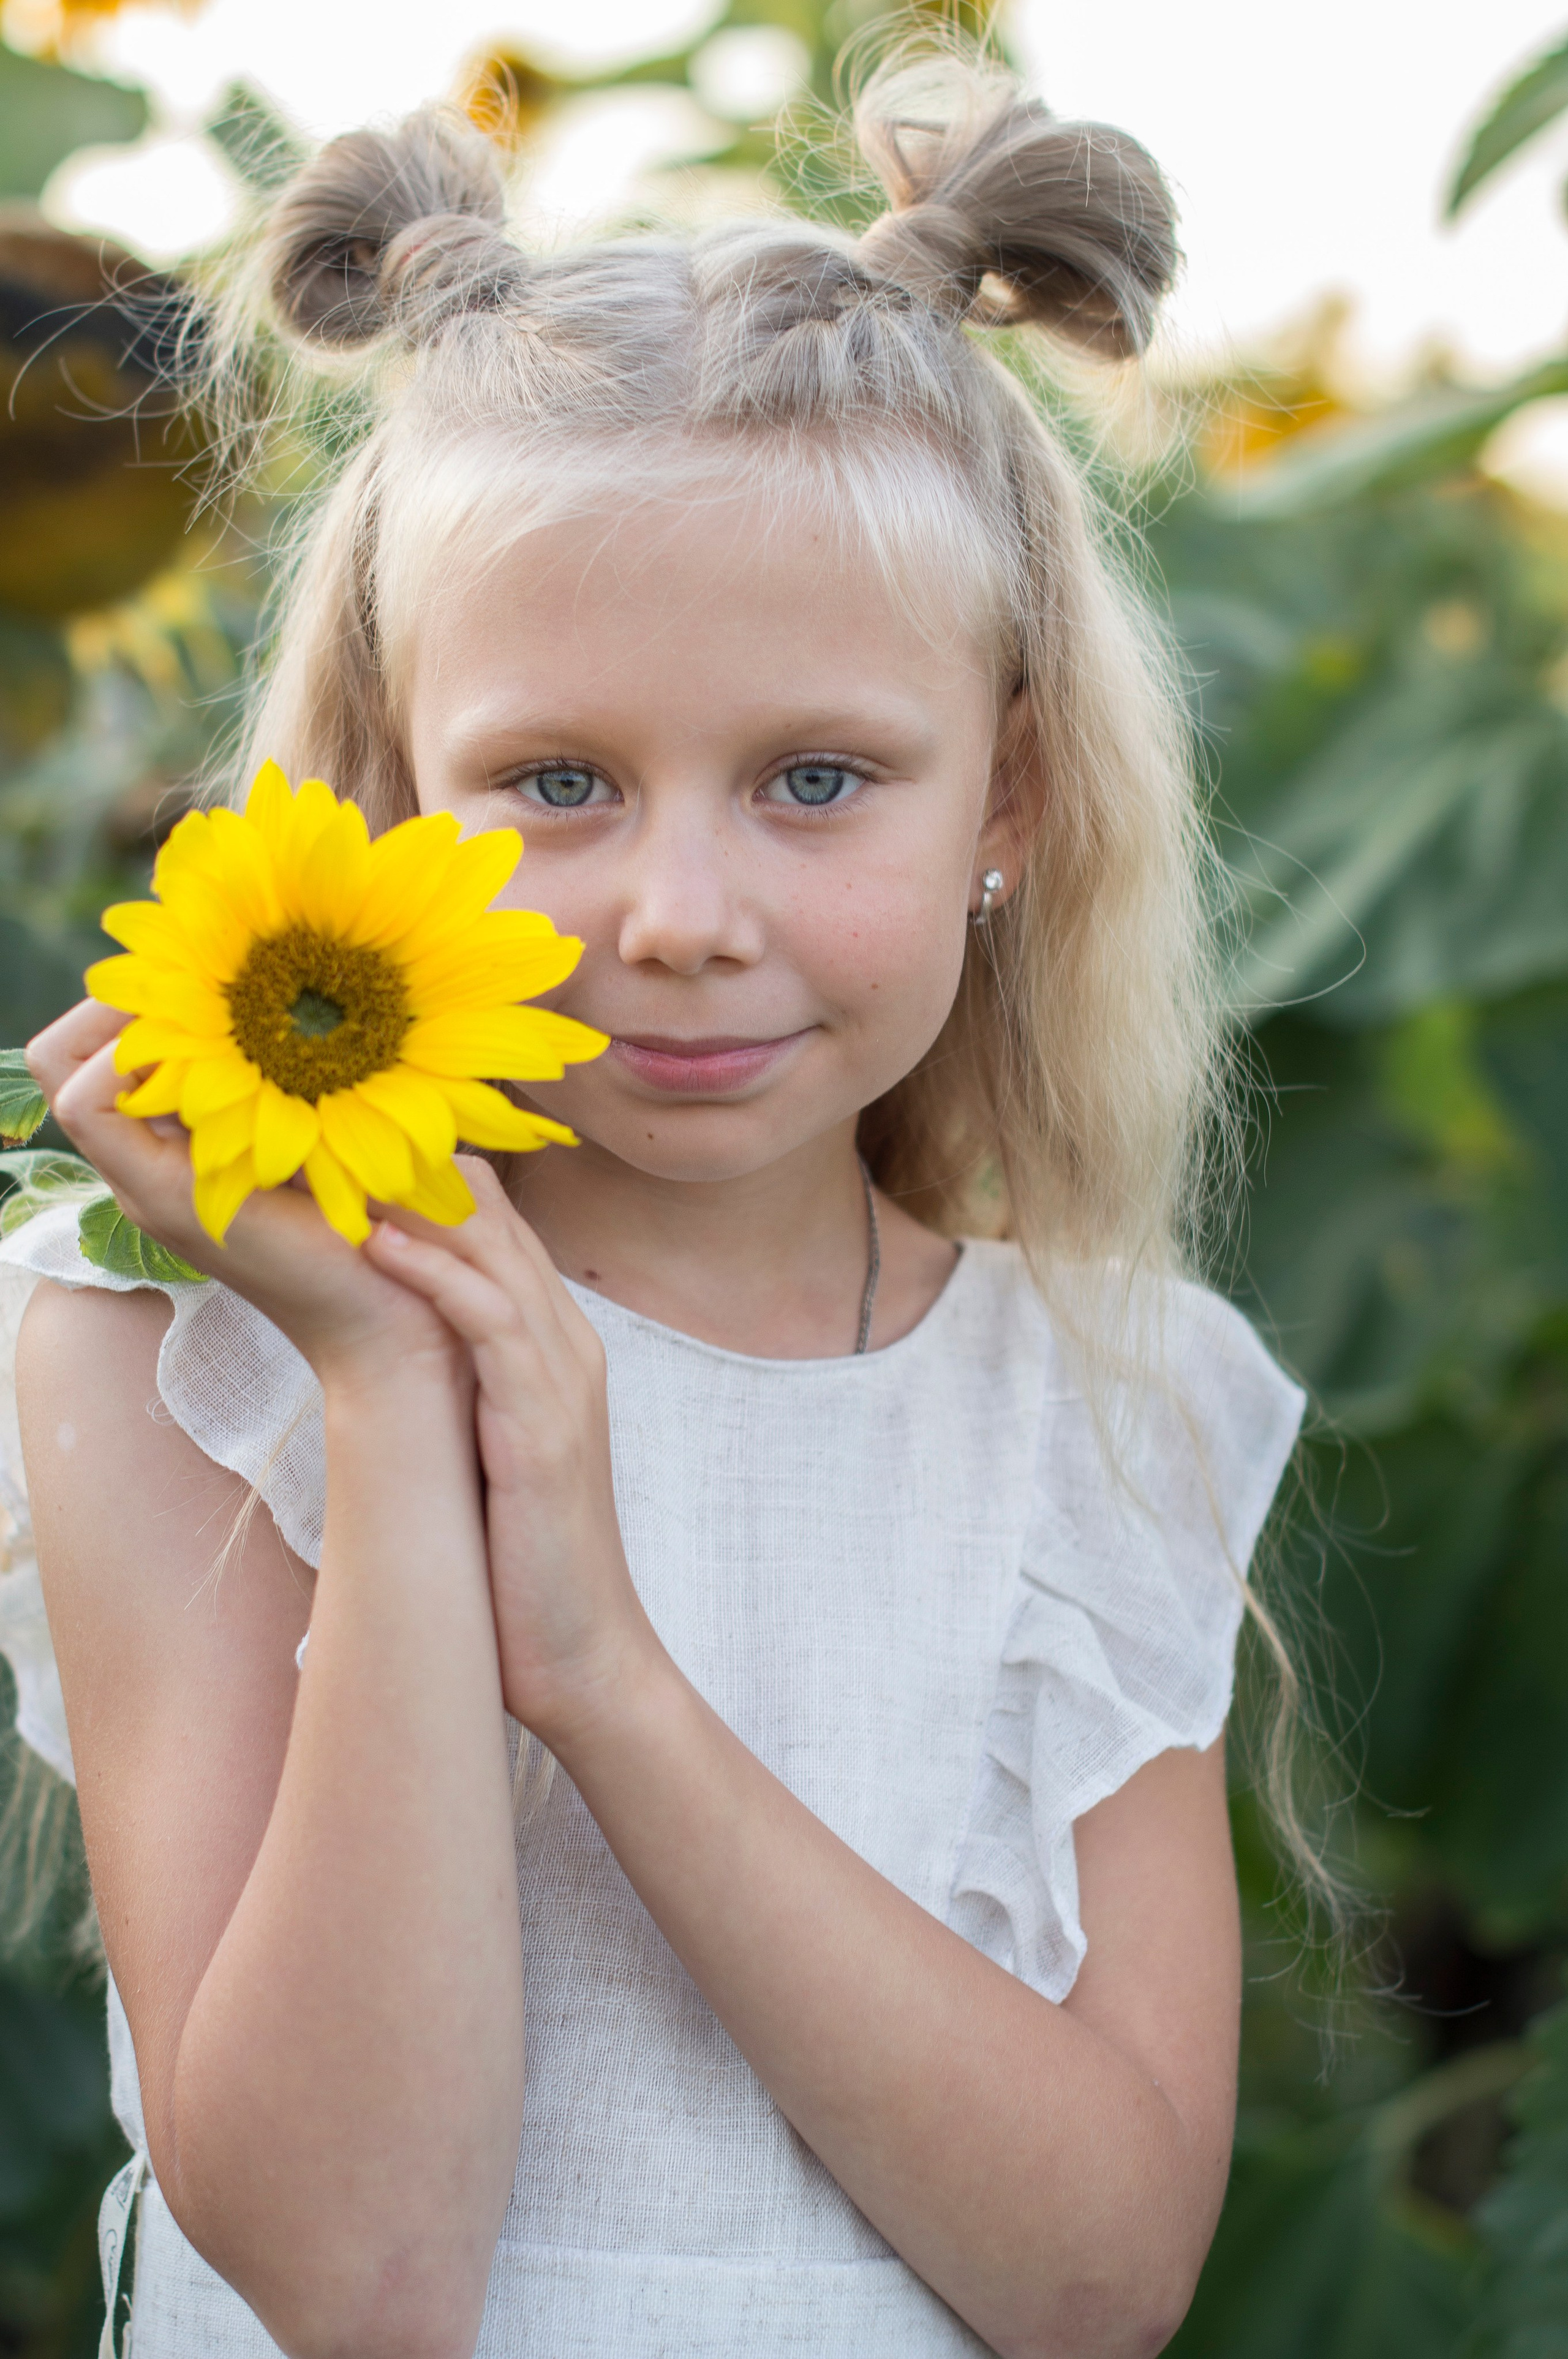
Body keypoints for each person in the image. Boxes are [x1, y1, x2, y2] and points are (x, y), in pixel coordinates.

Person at [1, 46, 1306, 2359]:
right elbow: (358, 2277)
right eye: (559, 781)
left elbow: (1100, 2282)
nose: (684, 910)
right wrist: (399, 1404)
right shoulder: (164, 1349)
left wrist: (599, 1665)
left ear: (1005, 801)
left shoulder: (1110, 1407)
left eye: (819, 777)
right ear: (398, 784)